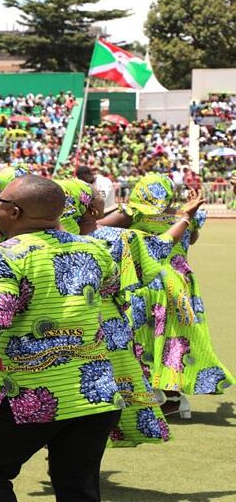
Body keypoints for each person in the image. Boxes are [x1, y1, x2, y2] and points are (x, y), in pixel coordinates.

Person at [0, 175, 124, 502]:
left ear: (13, 212)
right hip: (95, 391)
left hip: (35, 391)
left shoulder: (4, 256)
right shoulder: (94, 249)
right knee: (77, 486)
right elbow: (112, 289)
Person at [99, 174, 234, 415]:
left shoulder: (135, 212)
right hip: (180, 285)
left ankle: (153, 394)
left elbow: (96, 230)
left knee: (140, 338)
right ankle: (173, 397)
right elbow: (190, 239)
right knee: (171, 340)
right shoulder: (186, 214)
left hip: (146, 282)